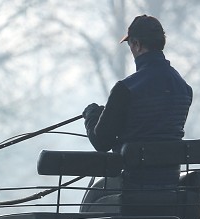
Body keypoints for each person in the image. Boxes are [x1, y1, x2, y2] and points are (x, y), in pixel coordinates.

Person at [82, 15, 193, 202]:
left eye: (130, 46)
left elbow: (101, 142)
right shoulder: (184, 89)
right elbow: (157, 128)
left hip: (132, 185)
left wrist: (92, 115)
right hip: (169, 185)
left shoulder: (126, 89)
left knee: (92, 196)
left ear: (137, 44)